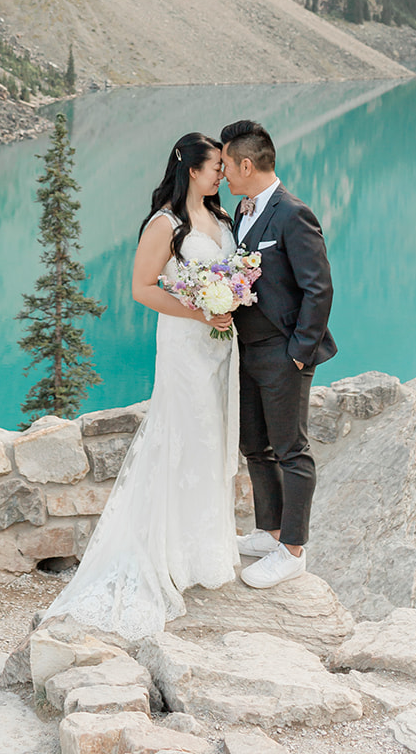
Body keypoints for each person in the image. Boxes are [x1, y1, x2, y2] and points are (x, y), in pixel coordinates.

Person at [41, 132, 239, 639]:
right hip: (185, 346)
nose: (224, 173)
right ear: (192, 169)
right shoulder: (165, 224)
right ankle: (166, 555)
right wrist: (202, 310)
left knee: (214, 440)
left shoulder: (220, 220)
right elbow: (141, 288)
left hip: (221, 346)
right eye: (217, 165)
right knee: (184, 438)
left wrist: (227, 305)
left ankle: (202, 553)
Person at [220, 118, 336, 590]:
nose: (222, 173)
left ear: (247, 164)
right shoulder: (242, 211)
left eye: (226, 164)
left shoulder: (292, 214)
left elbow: (319, 289)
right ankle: (270, 532)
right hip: (246, 350)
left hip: (282, 353)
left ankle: (292, 550)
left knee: (291, 448)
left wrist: (298, 354)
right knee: (254, 444)